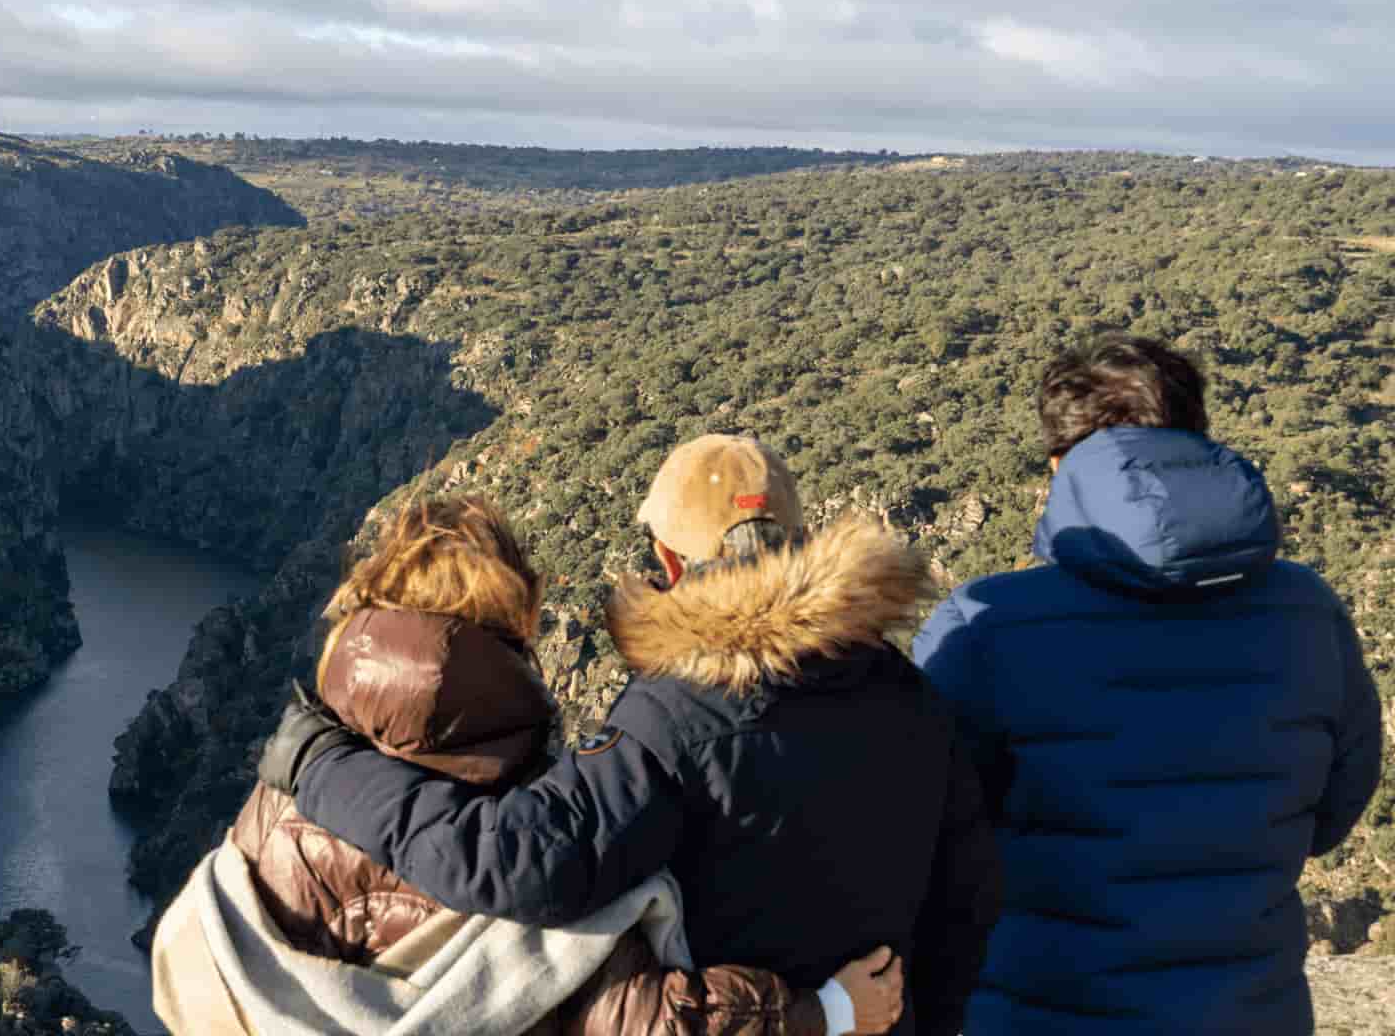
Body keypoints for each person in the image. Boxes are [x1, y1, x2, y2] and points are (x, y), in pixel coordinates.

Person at [262, 439, 1000, 1036]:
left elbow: (521, 865)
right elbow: (963, 909)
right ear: (802, 541)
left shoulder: (678, 717)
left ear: (671, 562)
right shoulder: (913, 701)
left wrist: (321, 763)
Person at [155, 493, 904, 1035]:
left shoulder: (289, 779)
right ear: (514, 618)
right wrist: (823, 1012)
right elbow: (641, 1024)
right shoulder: (533, 817)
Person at [911, 334, 1384, 1035]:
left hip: (1042, 1012)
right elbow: (1336, 808)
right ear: (1196, 440)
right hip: (1251, 1014)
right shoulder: (1309, 611)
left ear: (1058, 465)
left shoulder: (985, 624)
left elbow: (925, 829)